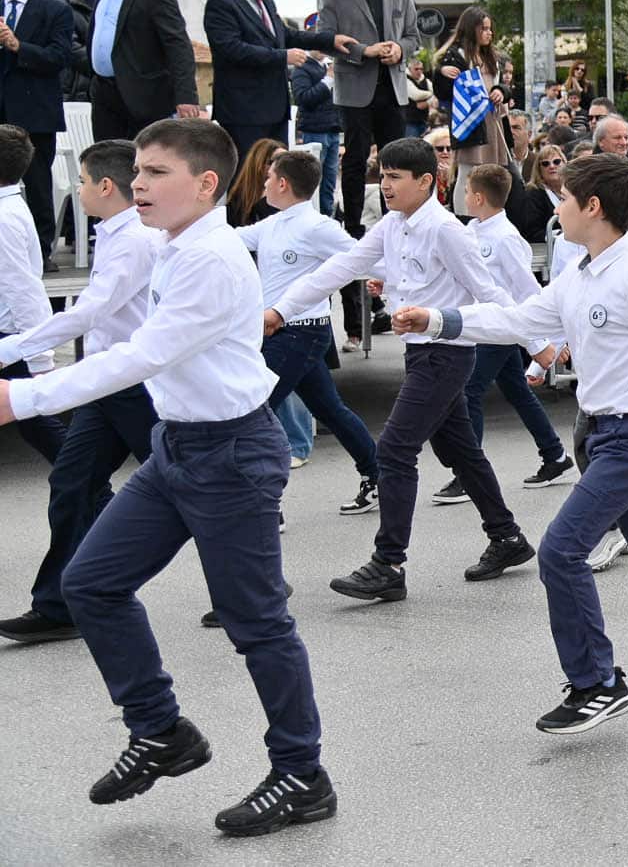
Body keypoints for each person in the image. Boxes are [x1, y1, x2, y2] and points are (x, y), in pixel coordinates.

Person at [0, 119, 335, 837]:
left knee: (256, 624)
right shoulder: (170, 243)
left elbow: (142, 354)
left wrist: (23, 396)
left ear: (206, 185)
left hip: (231, 456)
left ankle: (303, 774)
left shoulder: (210, 259)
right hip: (176, 447)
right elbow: (112, 314)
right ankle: (161, 731)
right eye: (137, 172)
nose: (138, 184)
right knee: (92, 584)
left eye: (155, 173)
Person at [398, 153, 628, 727]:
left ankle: (597, 683)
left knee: (560, 550)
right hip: (603, 433)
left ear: (592, 207)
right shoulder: (579, 274)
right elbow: (520, 321)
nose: (558, 209)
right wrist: (439, 321)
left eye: (566, 199)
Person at [268, 136, 535, 602]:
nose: (386, 185)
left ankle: (388, 563)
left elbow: (490, 294)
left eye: (395, 177)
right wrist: (280, 311)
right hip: (420, 354)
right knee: (461, 452)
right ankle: (507, 537)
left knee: (393, 451)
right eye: (383, 175)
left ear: (426, 181)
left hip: (445, 354)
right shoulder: (393, 224)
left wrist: (541, 345)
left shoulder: (447, 230)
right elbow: (340, 267)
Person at [0, 140, 163, 644]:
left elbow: (88, 312)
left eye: (83, 181)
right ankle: (60, 607)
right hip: (108, 383)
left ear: (105, 186)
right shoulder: (114, 233)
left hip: (137, 386)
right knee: (72, 483)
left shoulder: (133, 240)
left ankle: (253, 587)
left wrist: (13, 349)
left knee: (188, 489)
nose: (78, 189)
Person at [239, 150, 382, 517]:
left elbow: (360, 257)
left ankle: (266, 505)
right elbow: (233, 239)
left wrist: (389, 282)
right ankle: (379, 476)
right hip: (282, 332)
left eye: (269, 177)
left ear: (282, 184)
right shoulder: (272, 224)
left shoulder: (318, 227)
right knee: (329, 410)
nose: (264, 183)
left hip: (301, 333)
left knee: (255, 412)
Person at [448, 165, 573, 493]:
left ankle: (468, 474)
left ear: (478, 197)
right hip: (481, 325)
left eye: (466, 192)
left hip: (501, 326)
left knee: (468, 392)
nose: (463, 197)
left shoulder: (506, 238)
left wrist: (539, 344)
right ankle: (555, 455)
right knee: (518, 391)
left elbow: (527, 293)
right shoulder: (471, 231)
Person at [204, 0, 350, 172]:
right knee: (249, 177)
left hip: (276, 108)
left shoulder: (266, 1)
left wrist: (329, 40)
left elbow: (286, 35)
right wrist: (282, 57)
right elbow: (232, 49)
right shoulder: (221, 2)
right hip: (244, 111)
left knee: (277, 176)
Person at [315, 0, 422, 237]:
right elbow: (325, 39)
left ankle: (396, 224)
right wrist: (364, 51)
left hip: (393, 88)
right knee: (355, 160)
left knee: (396, 160)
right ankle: (353, 228)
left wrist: (399, 49)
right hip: (354, 91)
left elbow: (413, 37)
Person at [81, 0, 200, 142]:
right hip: (104, 94)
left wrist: (186, 96)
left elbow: (178, 46)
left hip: (143, 97)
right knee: (106, 154)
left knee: (142, 154)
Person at [0, 0, 76, 263]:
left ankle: (41, 251)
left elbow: (60, 57)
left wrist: (18, 46)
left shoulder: (53, 11)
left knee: (37, 182)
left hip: (34, 111)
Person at [0, 126, 59, 460]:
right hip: (12, 333)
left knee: (37, 421)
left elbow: (22, 288)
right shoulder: (9, 209)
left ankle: (84, 480)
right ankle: (83, 479)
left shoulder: (4, 218)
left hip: (9, 333)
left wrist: (39, 356)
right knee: (35, 421)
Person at [431, 7, 513, 214]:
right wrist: (441, 73)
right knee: (468, 173)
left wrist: (500, 91)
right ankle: (463, 218)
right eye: (484, 29)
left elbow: (505, 85)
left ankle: (488, 216)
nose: (489, 33)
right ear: (471, 29)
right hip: (470, 123)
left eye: (490, 29)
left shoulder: (492, 57)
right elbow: (443, 92)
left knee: (492, 174)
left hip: (493, 120)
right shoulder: (454, 56)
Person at [290, 51, 343, 216]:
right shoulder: (301, 68)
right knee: (313, 180)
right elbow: (303, 98)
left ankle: (327, 216)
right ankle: (313, 216)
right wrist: (328, 79)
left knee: (329, 182)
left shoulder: (327, 66)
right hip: (314, 131)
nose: (322, 49)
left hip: (333, 130)